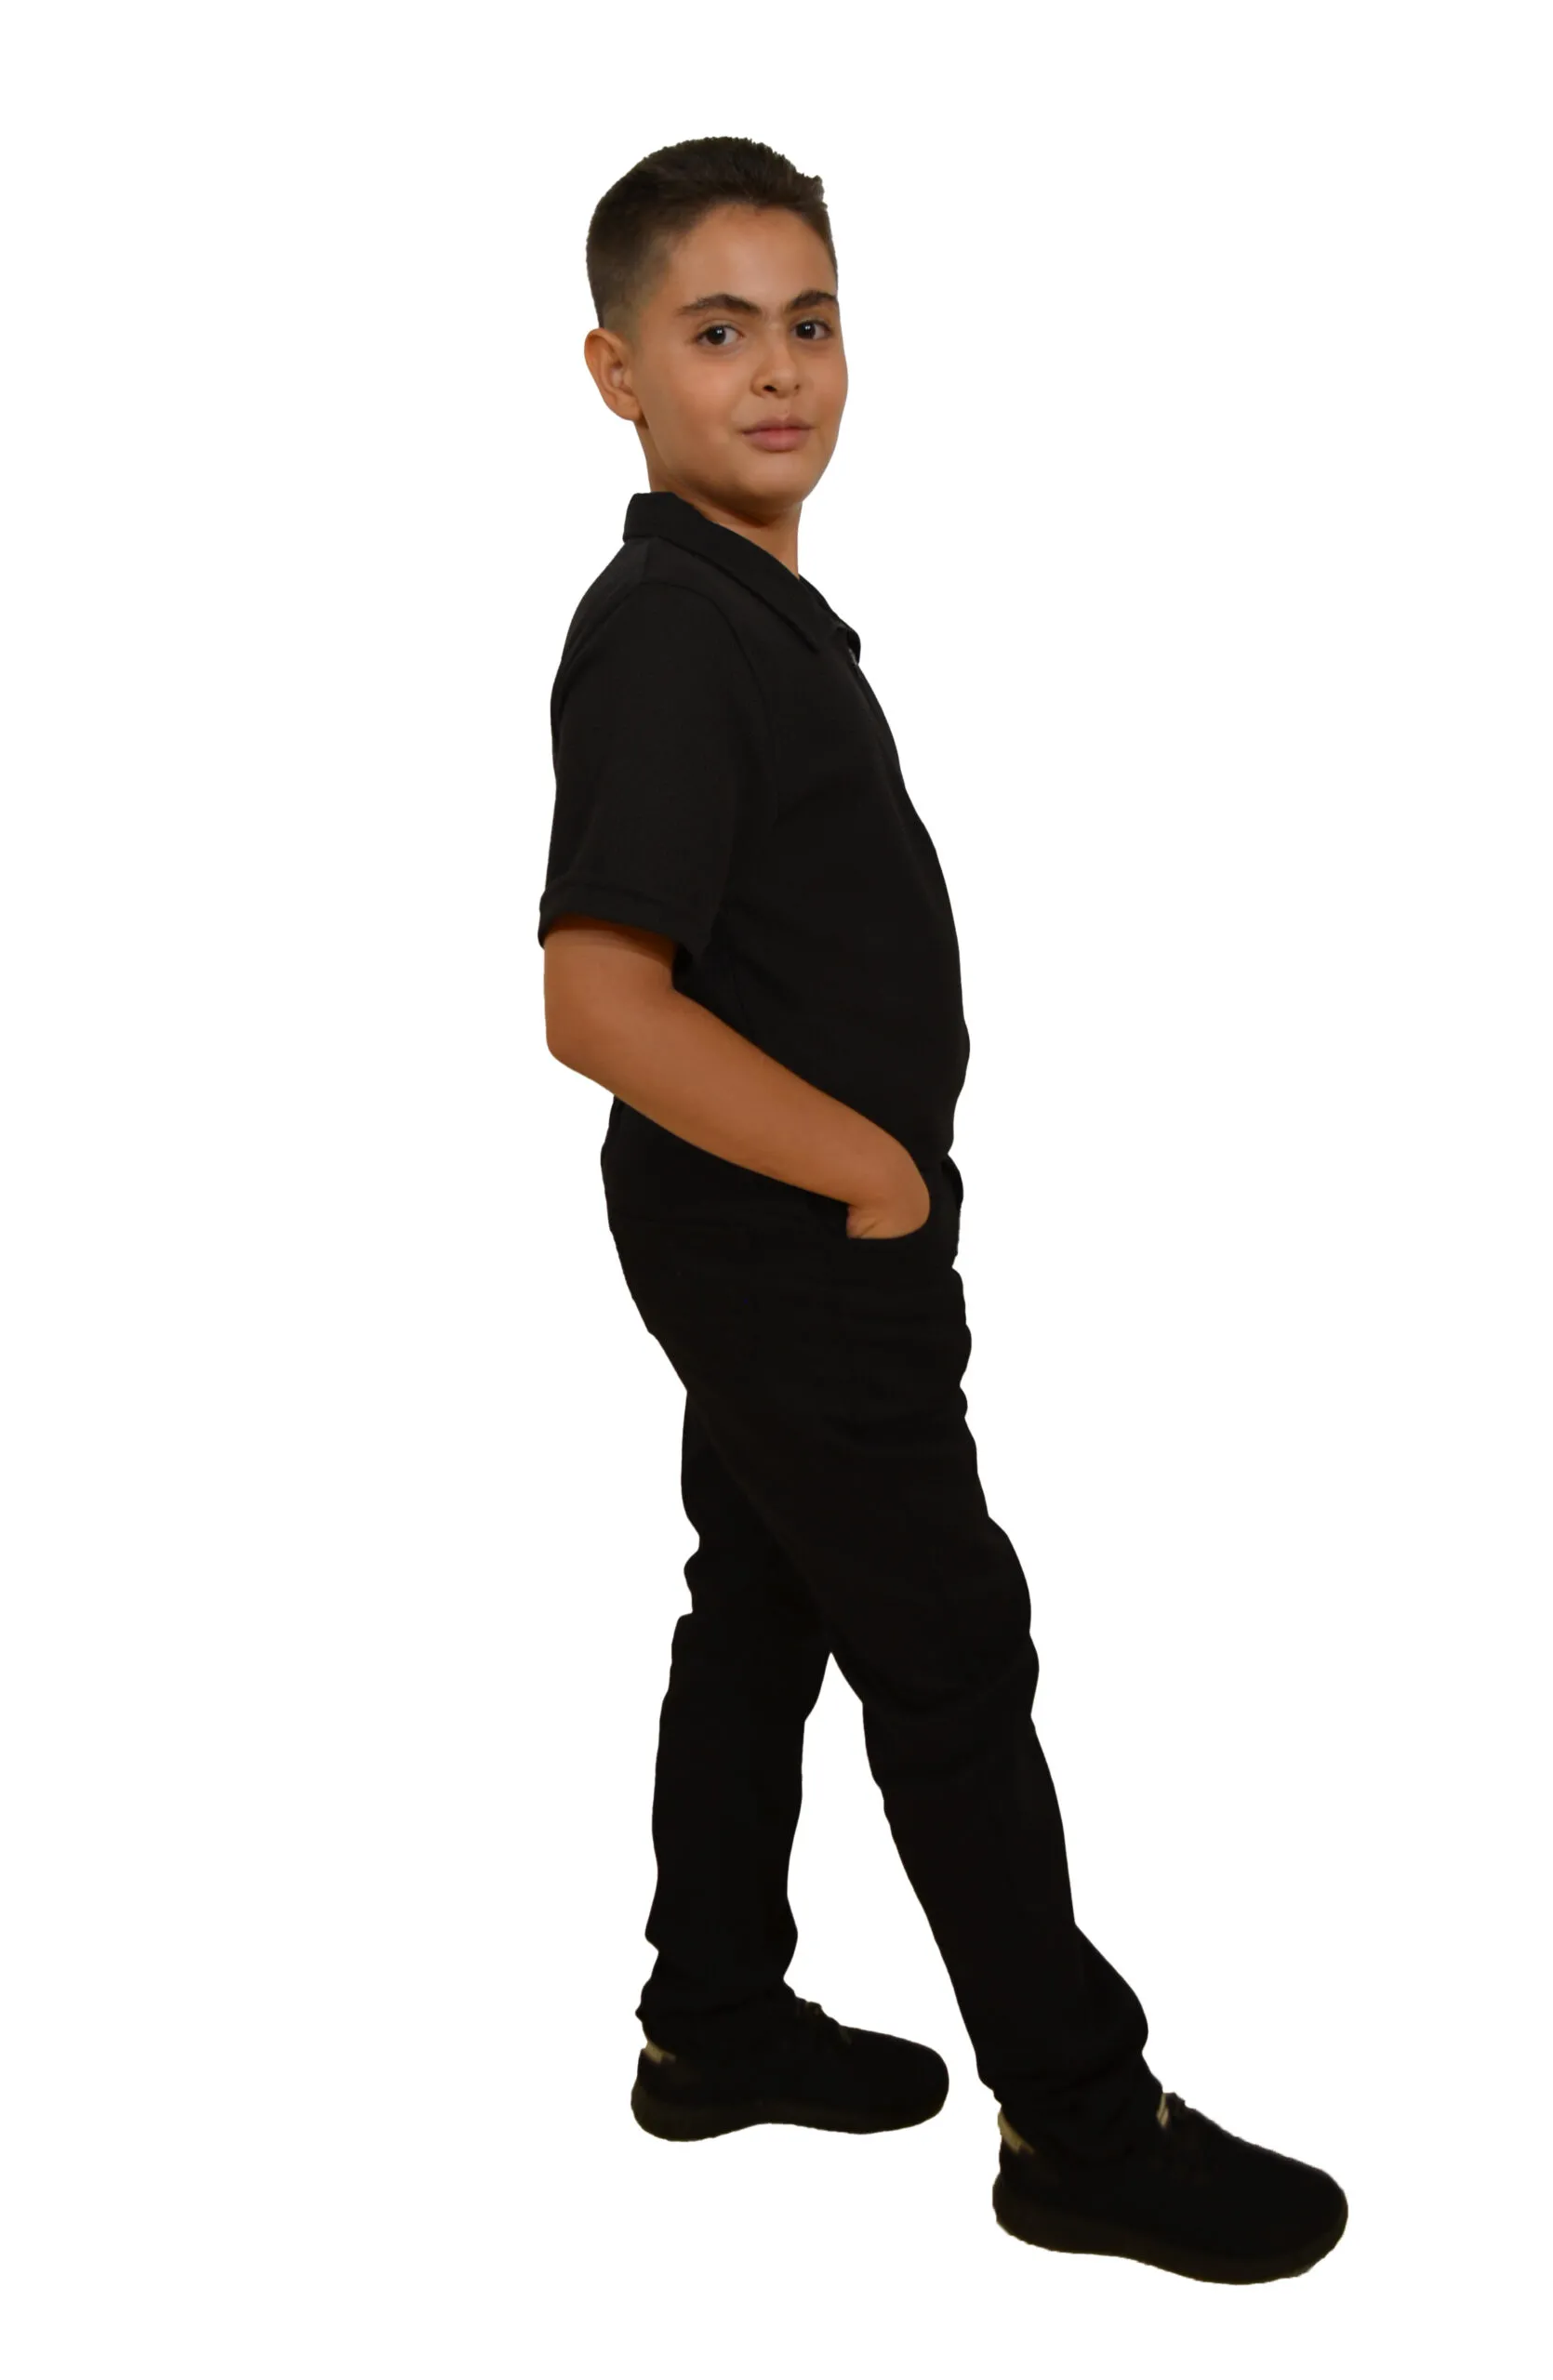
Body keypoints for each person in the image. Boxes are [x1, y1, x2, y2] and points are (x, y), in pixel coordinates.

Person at [537, 135, 1347, 2286]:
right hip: (793, 1243)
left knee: (760, 1601)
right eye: (717, 329)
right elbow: (595, 998)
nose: (775, 368)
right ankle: (1078, 2119)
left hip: (773, 1237)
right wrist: (869, 1169)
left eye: (807, 321)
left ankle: (710, 2020)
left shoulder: (744, 613)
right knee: (947, 1650)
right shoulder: (668, 632)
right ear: (615, 370)